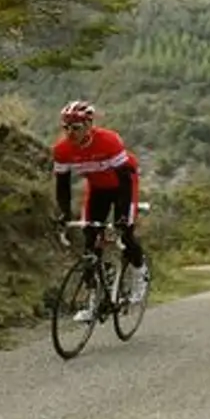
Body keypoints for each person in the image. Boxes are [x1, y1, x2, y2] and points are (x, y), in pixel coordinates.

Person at [51, 100, 150, 315]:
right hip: (97, 189)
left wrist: (123, 217)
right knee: (90, 242)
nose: (70, 133)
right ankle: (93, 300)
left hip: (123, 185)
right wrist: (64, 213)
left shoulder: (108, 141)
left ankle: (139, 271)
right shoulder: (62, 150)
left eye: (75, 128)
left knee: (125, 233)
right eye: (65, 127)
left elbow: (125, 180)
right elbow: (62, 185)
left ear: (88, 125)